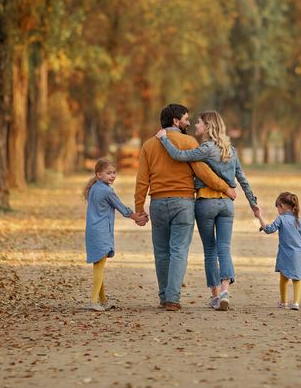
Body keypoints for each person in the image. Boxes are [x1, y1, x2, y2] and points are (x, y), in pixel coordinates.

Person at [134, 103, 237, 311]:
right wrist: (225, 188)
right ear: (175, 121)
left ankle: (164, 297)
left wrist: (139, 209)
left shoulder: (148, 145)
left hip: (158, 203)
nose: (189, 123)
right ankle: (173, 298)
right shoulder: (188, 142)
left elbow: (142, 180)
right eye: (186, 119)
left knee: (161, 252)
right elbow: (202, 172)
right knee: (179, 250)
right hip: (183, 203)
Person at [156, 110, 259, 311]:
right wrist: (253, 202)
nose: (195, 125)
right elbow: (243, 180)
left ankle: (214, 295)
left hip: (206, 202)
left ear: (208, 127)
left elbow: (179, 156)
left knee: (210, 250)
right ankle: (225, 291)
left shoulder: (206, 148)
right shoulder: (231, 150)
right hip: (227, 205)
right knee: (225, 247)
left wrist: (164, 139)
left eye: (199, 123)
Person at [84, 158, 147, 312]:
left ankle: (103, 300)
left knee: (99, 265)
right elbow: (122, 208)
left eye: (114, 173)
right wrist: (137, 217)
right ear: (98, 174)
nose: (112, 176)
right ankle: (93, 301)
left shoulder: (94, 188)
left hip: (93, 230)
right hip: (101, 232)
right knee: (99, 267)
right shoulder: (106, 191)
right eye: (108, 173)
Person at [257, 191, 301, 311]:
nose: (278, 211)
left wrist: (260, 217)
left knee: (284, 278)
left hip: (285, 254)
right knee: (297, 279)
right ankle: (296, 303)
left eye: (278, 208)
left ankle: (283, 302)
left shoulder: (281, 219)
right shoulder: (300, 222)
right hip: (298, 255)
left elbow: (269, 229)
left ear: (281, 206)